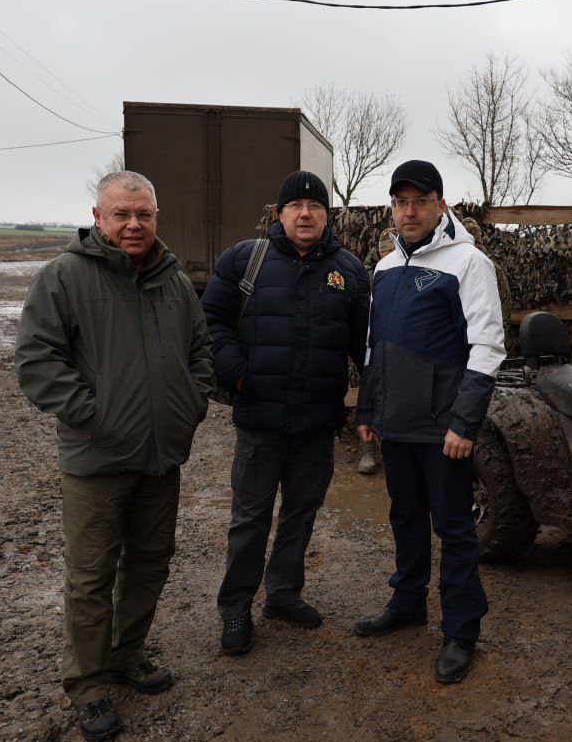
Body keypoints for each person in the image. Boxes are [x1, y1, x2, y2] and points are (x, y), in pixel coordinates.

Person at [15, 170, 214, 742]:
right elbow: (37, 360)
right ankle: (89, 685)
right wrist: (94, 416)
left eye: (143, 214)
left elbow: (200, 351)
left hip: (160, 458)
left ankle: (128, 657)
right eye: (121, 214)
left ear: (156, 217)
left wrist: (190, 404)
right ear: (97, 217)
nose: (133, 224)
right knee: (91, 576)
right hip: (96, 462)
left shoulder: (174, 282)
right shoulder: (64, 277)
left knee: (150, 562)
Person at [202, 171, 369, 655]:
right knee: (250, 518)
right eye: (295, 205)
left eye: (315, 206)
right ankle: (236, 609)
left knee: (300, 512)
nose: (305, 214)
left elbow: (365, 345)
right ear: (279, 213)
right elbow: (210, 321)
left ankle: (282, 594)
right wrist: (237, 373)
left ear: (327, 216)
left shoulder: (349, 271)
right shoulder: (244, 260)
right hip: (261, 420)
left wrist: (373, 402)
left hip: (317, 422)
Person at [354, 160, 506, 684]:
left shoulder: (468, 263)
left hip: (444, 429)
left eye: (420, 201)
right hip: (396, 423)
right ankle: (407, 602)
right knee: (405, 518)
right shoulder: (384, 269)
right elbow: (374, 346)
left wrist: (465, 423)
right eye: (401, 202)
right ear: (392, 209)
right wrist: (369, 410)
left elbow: (488, 346)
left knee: (454, 527)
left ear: (440, 205)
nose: (410, 211)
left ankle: (461, 631)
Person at [357, 228, 399, 476]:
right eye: (385, 252)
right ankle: (368, 451)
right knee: (368, 395)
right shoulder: (364, 274)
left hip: (394, 345)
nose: (387, 256)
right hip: (367, 343)